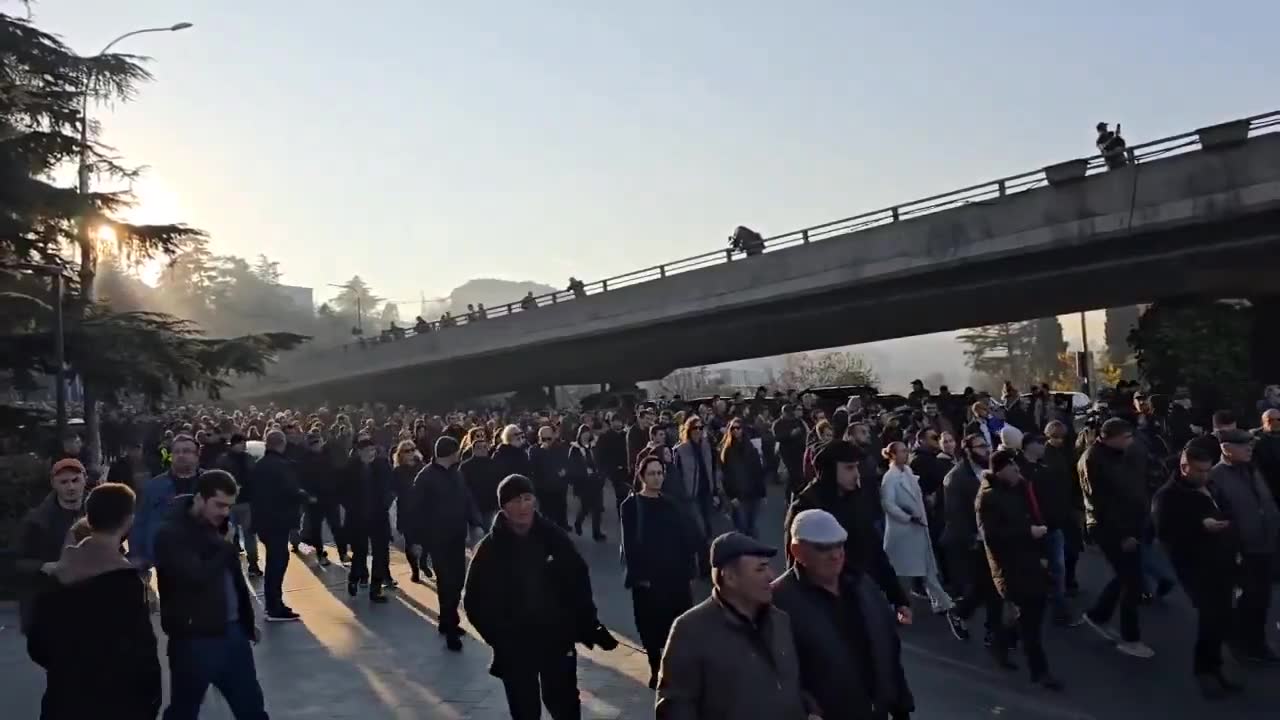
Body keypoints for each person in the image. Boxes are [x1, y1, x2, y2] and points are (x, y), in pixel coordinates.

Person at [463, 474, 619, 720]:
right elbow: (473, 602)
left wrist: (588, 625)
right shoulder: (490, 549)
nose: (524, 506)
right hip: (514, 646)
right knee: (525, 709)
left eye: (527, 498)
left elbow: (578, 581)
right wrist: (499, 639)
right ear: (504, 506)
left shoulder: (553, 537)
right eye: (516, 500)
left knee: (565, 704)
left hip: (556, 639)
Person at [26, 482, 161, 720]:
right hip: (117, 703)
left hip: (64, 700)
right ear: (128, 521)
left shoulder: (56, 574)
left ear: (89, 517)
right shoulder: (125, 582)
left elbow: (37, 644)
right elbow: (142, 655)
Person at [655, 532, 816, 720]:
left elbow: (791, 685)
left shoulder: (780, 620)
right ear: (730, 578)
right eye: (760, 569)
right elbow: (676, 708)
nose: (771, 575)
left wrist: (809, 709)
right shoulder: (690, 630)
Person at [774, 509, 915, 720]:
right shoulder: (779, 601)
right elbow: (776, 674)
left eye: (839, 545)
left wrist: (901, 706)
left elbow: (889, 648)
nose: (836, 554)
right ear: (797, 551)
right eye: (823, 548)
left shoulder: (863, 585)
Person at [154, 470, 268, 720]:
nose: (225, 512)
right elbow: (195, 576)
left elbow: (233, 581)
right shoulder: (171, 534)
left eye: (229, 506)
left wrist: (246, 622)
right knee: (184, 710)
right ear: (199, 499)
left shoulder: (218, 527)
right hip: (194, 640)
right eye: (219, 505)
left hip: (233, 635)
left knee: (252, 709)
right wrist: (225, 548)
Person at [1153, 445, 1244, 698]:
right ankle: (1204, 672)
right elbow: (1166, 534)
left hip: (1223, 562)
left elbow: (1228, 510)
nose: (1206, 475)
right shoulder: (1168, 496)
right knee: (1211, 618)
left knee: (1222, 617)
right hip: (1197, 568)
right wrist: (1200, 526)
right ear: (1184, 468)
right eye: (1200, 471)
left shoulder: (1211, 486)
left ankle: (1215, 669)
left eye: (1208, 470)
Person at [976, 450, 1063, 691]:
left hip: (1031, 561)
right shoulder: (988, 497)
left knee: (1026, 614)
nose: (1017, 470)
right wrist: (1028, 532)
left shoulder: (1020, 488)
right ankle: (1040, 671)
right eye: (1012, 466)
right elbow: (991, 536)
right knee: (1030, 621)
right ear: (1000, 470)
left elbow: (1033, 516)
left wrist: (1042, 552)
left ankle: (1001, 644)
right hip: (1010, 567)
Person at [620, 455, 699, 688]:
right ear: (642, 476)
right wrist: (639, 577)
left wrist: (690, 566)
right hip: (648, 580)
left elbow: (686, 536)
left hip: (674, 576)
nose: (657, 477)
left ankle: (678, 667)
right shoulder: (631, 505)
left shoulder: (671, 503)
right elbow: (630, 544)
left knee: (679, 624)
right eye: (652, 473)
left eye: (660, 473)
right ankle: (656, 668)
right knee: (650, 628)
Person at [1078, 418, 1153, 658]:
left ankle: (1098, 614)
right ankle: (1131, 638)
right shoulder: (1093, 459)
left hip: (1131, 524)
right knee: (1132, 582)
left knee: (1127, 576)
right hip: (1112, 530)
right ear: (1110, 437)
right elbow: (1101, 503)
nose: (1130, 442)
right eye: (1126, 437)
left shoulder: (1119, 455)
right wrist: (1124, 534)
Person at [880, 441, 967, 639]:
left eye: (906, 450)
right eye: (902, 451)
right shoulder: (890, 478)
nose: (906, 453)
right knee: (904, 574)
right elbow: (888, 504)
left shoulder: (908, 472)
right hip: (904, 532)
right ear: (892, 455)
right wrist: (908, 515)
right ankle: (897, 608)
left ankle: (942, 602)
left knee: (927, 567)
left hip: (918, 528)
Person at [1210, 427, 1280, 663]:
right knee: (1248, 600)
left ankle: (1254, 642)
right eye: (1244, 445)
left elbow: (1265, 502)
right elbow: (1218, 520)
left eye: (1251, 444)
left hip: (1266, 545)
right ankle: (1244, 645)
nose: (1250, 448)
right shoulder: (1216, 477)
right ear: (1226, 449)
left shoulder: (1252, 469)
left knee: (1262, 599)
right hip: (1243, 551)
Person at [409, 435, 483, 651]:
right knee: (447, 582)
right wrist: (416, 540)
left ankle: (446, 619)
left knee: (458, 580)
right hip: (437, 538)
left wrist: (475, 522)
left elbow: (467, 499)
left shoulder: (456, 473)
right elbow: (415, 511)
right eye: (457, 450)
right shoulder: (426, 477)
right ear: (450, 453)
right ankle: (451, 629)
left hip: (457, 536)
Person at [13, 458, 87, 635]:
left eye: (75, 480)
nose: (70, 487)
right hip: (53, 602)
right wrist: (43, 566)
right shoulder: (37, 520)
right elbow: (18, 562)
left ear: (84, 479)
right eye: (64, 482)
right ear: (53, 483)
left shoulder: (100, 511)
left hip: (91, 602)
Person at [249, 429, 311, 622]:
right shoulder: (283, 466)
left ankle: (274, 603)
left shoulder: (259, 466)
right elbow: (291, 490)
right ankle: (274, 606)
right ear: (282, 444)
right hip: (279, 520)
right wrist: (306, 496)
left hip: (264, 521)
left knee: (275, 561)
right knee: (277, 562)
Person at [130, 434, 202, 574]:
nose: (181, 455)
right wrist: (137, 555)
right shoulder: (154, 486)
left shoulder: (209, 482)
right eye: (176, 452)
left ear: (197, 455)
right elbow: (140, 521)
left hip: (203, 556)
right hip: (166, 560)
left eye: (186, 451)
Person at [339, 436, 394, 603]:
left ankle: (375, 590)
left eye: (373, 450)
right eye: (367, 451)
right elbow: (342, 492)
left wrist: (387, 501)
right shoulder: (350, 468)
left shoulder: (382, 465)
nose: (371, 454)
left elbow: (390, 486)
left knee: (381, 553)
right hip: (358, 518)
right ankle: (354, 578)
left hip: (379, 516)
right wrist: (352, 507)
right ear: (359, 452)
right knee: (360, 552)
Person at [299, 430, 346, 567]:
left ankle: (342, 553)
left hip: (330, 497)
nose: (316, 445)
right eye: (312, 442)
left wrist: (338, 493)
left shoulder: (329, 455)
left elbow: (337, 474)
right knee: (316, 529)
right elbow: (302, 480)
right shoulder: (305, 459)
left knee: (336, 527)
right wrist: (308, 496)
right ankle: (320, 554)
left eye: (317, 441)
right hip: (314, 500)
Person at [217, 434, 259, 577]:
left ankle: (253, 565)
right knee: (230, 536)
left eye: (245, 443)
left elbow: (255, 478)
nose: (244, 446)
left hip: (245, 501)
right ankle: (234, 566)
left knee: (249, 535)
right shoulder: (225, 460)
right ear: (234, 444)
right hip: (230, 503)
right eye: (241, 443)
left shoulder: (247, 458)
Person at [720, 417, 767, 538]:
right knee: (742, 527)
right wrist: (731, 496)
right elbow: (726, 476)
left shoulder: (751, 448)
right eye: (732, 428)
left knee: (751, 525)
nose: (735, 431)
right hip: (738, 495)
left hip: (753, 493)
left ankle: (753, 552)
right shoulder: (727, 451)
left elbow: (758, 472)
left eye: (738, 428)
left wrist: (763, 493)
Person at [391, 439, 423, 585]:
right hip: (406, 511)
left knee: (425, 541)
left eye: (412, 449)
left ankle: (423, 562)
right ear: (400, 454)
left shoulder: (422, 467)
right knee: (410, 542)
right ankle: (415, 570)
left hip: (423, 509)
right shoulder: (397, 472)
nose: (410, 453)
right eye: (406, 451)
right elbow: (394, 491)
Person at [567, 424, 607, 540]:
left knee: (598, 508)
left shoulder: (593, 446)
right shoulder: (574, 449)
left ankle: (596, 533)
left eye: (587, 433)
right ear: (580, 435)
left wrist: (601, 474)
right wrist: (584, 471)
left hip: (596, 480)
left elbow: (600, 460)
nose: (586, 436)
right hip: (584, 482)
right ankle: (578, 523)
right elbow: (572, 466)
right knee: (585, 507)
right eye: (584, 433)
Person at [530, 424, 572, 530]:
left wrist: (565, 470)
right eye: (544, 438)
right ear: (539, 438)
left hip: (559, 484)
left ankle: (563, 524)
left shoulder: (560, 447)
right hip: (543, 486)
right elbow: (534, 467)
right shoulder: (534, 450)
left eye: (549, 438)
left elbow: (566, 461)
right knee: (547, 512)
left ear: (553, 436)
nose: (547, 440)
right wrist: (544, 451)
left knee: (562, 506)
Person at [461, 427, 502, 531]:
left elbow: (498, 482)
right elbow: (463, 485)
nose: (483, 449)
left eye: (484, 447)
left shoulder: (494, 464)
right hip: (474, 505)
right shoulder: (466, 466)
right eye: (479, 447)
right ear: (473, 450)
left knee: (490, 531)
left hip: (491, 505)